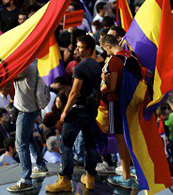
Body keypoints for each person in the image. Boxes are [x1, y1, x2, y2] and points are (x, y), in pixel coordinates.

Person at [46, 35, 102, 192]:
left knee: (66, 145)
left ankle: (65, 180)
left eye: (80, 47)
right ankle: (90, 177)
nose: (76, 49)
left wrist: (65, 111)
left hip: (78, 110)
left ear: (89, 49)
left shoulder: (80, 68)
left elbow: (73, 92)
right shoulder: (96, 65)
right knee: (91, 144)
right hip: (92, 110)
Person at [100, 33, 139, 189]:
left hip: (116, 104)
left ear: (108, 46)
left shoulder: (114, 61)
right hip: (132, 103)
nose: (105, 53)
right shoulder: (132, 56)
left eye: (105, 49)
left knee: (121, 140)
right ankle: (133, 170)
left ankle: (126, 176)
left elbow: (113, 87)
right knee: (131, 137)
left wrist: (105, 77)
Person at [7, 61, 48, 193]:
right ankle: (40, 165)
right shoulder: (30, 64)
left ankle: (26, 180)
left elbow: (9, 75)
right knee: (28, 138)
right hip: (28, 108)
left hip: (26, 110)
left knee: (20, 144)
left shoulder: (26, 66)